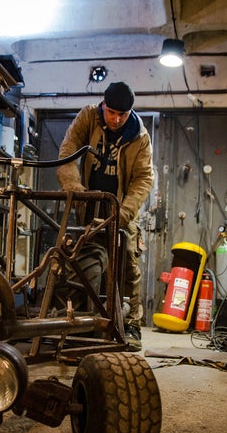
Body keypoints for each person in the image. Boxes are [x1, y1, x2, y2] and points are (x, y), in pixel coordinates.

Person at [56, 81, 154, 351]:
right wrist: (75, 189)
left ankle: (132, 323)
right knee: (77, 259)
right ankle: (76, 319)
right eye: (112, 112)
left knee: (128, 264)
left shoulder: (139, 137)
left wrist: (124, 212)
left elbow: (144, 178)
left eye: (123, 114)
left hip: (120, 209)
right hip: (88, 206)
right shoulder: (88, 117)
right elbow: (67, 152)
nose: (117, 119)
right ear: (103, 105)